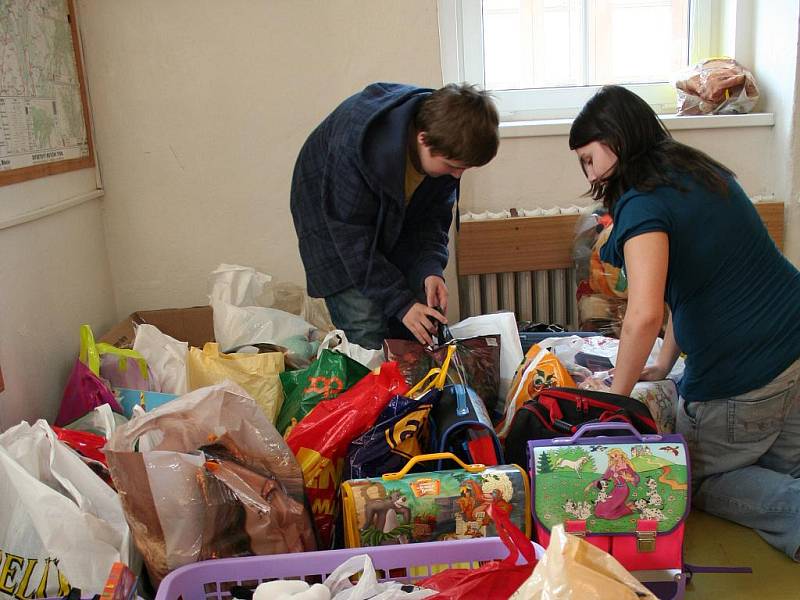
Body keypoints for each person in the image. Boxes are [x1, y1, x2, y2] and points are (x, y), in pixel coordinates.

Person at [569, 84, 800, 561]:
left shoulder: (642, 203)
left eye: (589, 158)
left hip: (747, 372)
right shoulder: (692, 169)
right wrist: (663, 363)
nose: (588, 173)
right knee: (781, 468)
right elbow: (688, 290)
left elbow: (645, 314)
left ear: (615, 141)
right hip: (792, 340)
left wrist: (615, 402)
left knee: (695, 477)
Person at [291, 82, 499, 349]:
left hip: (388, 217)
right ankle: (374, 383)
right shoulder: (355, 147)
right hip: (331, 222)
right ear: (423, 139)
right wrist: (401, 304)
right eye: (453, 166)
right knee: (367, 325)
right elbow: (354, 244)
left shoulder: (446, 142)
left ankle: (408, 388)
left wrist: (430, 269)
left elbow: (431, 220)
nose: (457, 175)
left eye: (464, 168)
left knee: (417, 319)